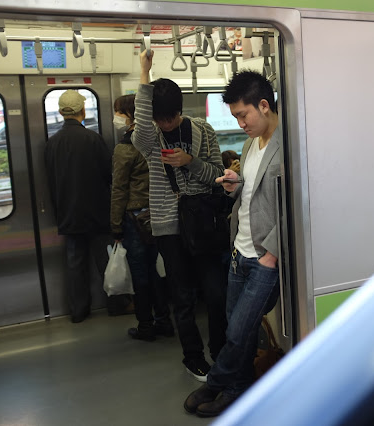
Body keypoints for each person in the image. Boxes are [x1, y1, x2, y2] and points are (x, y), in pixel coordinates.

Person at [184, 70, 281, 417]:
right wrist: (234, 185)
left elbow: (296, 202)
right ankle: (237, 389)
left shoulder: (288, 145)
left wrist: (273, 253)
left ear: (264, 105)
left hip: (265, 257)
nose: (240, 122)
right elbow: (255, 192)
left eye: (243, 114)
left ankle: (216, 381)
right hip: (240, 250)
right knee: (234, 326)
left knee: (240, 332)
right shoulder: (250, 143)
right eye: (236, 116)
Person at [132, 50, 227, 379]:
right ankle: (193, 356)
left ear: (179, 110)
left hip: (202, 221)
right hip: (169, 227)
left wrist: (191, 164)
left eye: (169, 118)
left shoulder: (203, 129)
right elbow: (143, 119)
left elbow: (216, 173)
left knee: (216, 293)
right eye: (159, 118)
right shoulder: (148, 137)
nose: (164, 124)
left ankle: (220, 350)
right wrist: (144, 72)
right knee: (183, 298)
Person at [44, 90, 113, 323]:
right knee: (106, 262)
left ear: (62, 113)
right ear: (82, 111)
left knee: (75, 265)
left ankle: (78, 311)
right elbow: (109, 175)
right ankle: (116, 303)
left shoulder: (52, 144)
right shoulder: (94, 139)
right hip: (97, 212)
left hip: (68, 214)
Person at [110, 94, 174, 341]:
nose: (116, 118)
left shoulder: (125, 148)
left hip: (135, 218)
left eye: (119, 113)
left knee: (141, 273)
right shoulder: (157, 140)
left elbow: (119, 190)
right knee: (158, 270)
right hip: (159, 212)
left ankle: (146, 326)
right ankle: (164, 320)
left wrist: (116, 226)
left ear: (129, 115)